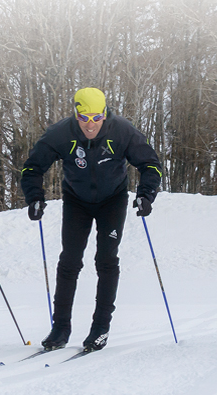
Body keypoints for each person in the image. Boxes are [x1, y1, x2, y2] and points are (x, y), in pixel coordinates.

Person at [21, 88, 164, 352]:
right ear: (76, 113)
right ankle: (61, 327)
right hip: (77, 200)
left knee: (106, 260)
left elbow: (150, 164)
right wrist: (34, 197)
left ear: (105, 114)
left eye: (96, 118)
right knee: (70, 260)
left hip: (113, 199)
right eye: (84, 118)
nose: (90, 124)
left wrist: (146, 195)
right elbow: (32, 167)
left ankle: (100, 328)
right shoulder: (61, 134)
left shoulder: (122, 131)